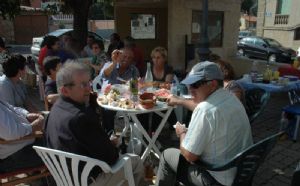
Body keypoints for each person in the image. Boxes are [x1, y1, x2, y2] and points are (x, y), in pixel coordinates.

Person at [45, 62, 145, 185]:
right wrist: (112, 145)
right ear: (65, 90)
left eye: (89, 82)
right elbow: (111, 158)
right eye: (83, 85)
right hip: (87, 180)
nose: (89, 88)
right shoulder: (80, 117)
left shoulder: (54, 110)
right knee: (135, 161)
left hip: (65, 179)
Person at [155, 61, 253, 186]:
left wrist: (182, 133)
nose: (190, 89)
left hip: (219, 179)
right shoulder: (231, 98)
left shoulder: (205, 110)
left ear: (212, 84)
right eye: (189, 84)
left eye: (195, 84)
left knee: (167, 155)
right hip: (239, 172)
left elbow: (188, 156)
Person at [0, 99, 44, 172]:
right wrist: (32, 127)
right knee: (59, 148)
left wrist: (26, 115)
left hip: (22, 147)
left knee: (57, 142)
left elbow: (11, 108)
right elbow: (11, 133)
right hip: (11, 157)